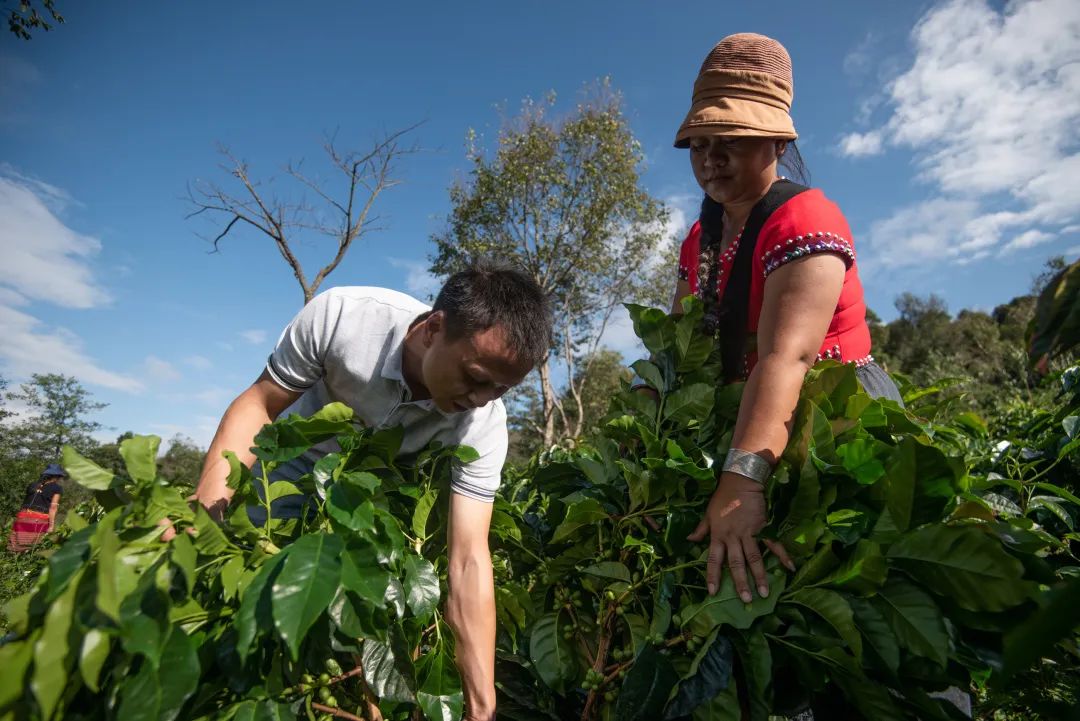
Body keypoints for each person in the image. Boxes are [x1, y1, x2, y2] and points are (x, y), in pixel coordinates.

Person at [189, 259, 552, 721]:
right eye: (476, 378)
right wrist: (206, 511)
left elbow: (468, 557)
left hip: (371, 509)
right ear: (433, 329)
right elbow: (260, 405)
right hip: (286, 474)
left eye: (501, 390)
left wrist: (482, 704)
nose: (481, 399)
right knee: (236, 610)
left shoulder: (483, 425)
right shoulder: (344, 317)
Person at [7, 463, 65, 552]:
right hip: (37, 519)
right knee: (33, 548)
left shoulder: (32, 485)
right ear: (56, 477)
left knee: (15, 547)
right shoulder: (57, 488)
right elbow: (53, 508)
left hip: (22, 517)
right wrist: (51, 526)